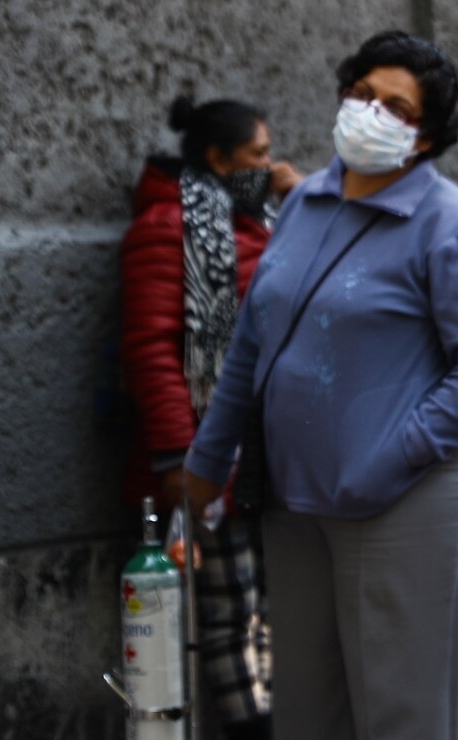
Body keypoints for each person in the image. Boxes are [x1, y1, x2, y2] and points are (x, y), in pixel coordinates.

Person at [182, 31, 458, 740]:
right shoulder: (304, 203)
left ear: (424, 137)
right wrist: (206, 463)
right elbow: (254, 341)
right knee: (307, 711)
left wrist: (388, 458)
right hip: (296, 499)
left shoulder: (452, 226)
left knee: (409, 715)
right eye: (361, 94)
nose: (370, 113)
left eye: (396, 107)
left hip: (412, 499)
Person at [119, 95, 302, 740]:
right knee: (227, 608)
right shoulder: (167, 228)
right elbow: (151, 350)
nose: (270, 166)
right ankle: (251, 729)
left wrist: (304, 204)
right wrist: (180, 459)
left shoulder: (260, 220)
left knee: (272, 606)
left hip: (266, 453)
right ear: (219, 160)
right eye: (258, 155)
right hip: (207, 454)